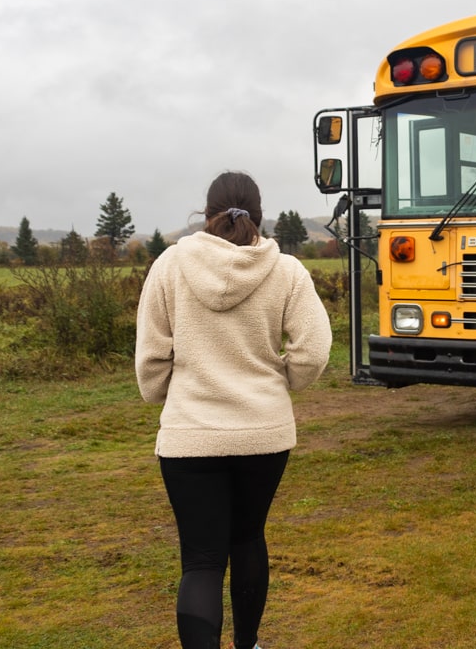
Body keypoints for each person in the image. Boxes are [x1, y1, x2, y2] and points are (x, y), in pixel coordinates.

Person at [135, 171, 333, 649]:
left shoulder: (168, 266)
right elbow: (314, 349)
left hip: (189, 437)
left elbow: (150, 359)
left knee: (201, 561)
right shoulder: (287, 270)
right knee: (247, 539)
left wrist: (169, 392)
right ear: (259, 218)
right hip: (264, 435)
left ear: (207, 215)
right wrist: (278, 383)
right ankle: (248, 645)